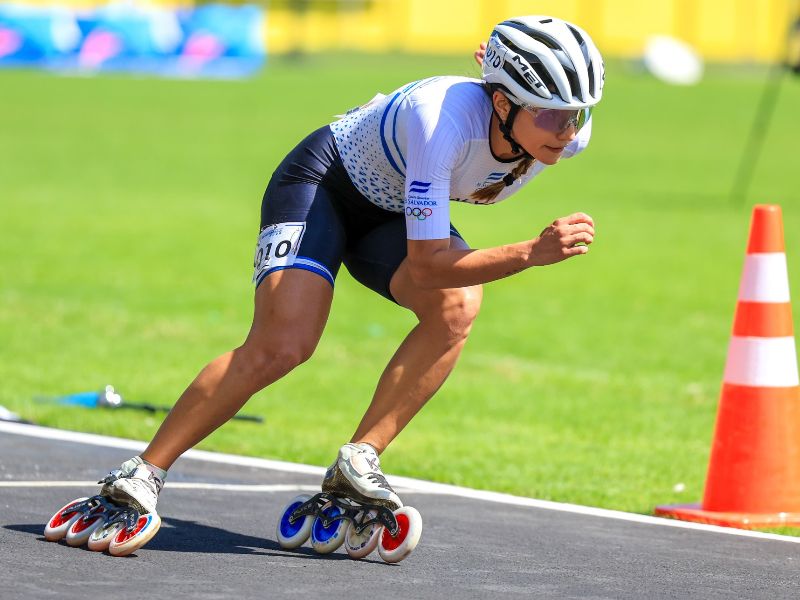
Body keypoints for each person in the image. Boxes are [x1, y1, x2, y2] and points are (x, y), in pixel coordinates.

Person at [50, 15, 605, 550]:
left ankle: (359, 459)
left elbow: (435, 272)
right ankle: (141, 474)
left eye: (577, 115)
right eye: (554, 115)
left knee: (456, 309)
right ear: (502, 103)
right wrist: (530, 253)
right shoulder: (443, 122)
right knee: (283, 344)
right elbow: (430, 266)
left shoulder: (560, 132)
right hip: (323, 187)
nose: (568, 129)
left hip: (388, 208)